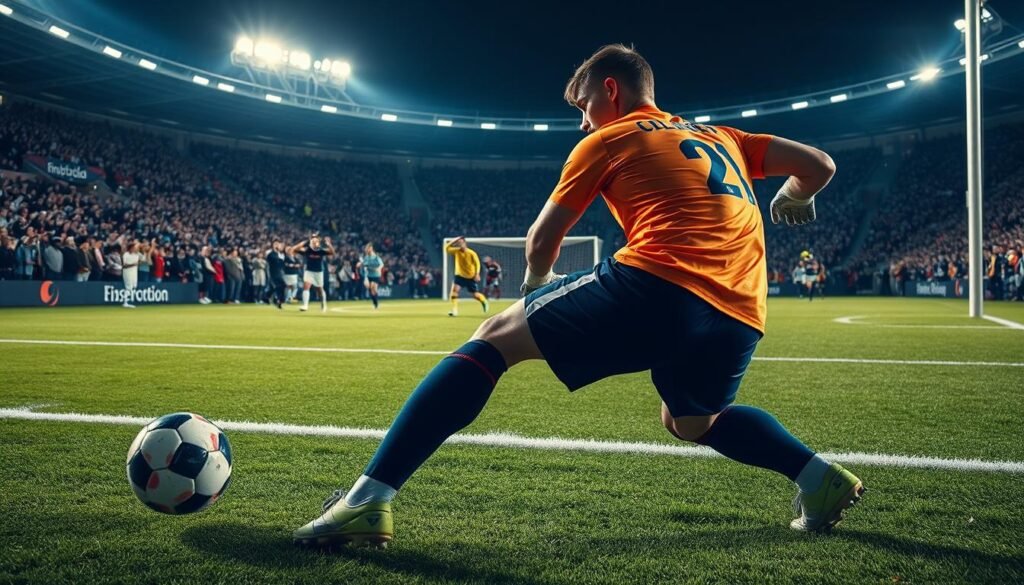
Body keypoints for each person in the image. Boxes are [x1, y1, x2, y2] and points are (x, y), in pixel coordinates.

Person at [294, 45, 862, 548]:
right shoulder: (724, 137)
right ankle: (817, 478)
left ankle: (368, 500)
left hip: (660, 281)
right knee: (691, 421)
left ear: (611, 90)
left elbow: (542, 238)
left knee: (494, 336)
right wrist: (795, 195)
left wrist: (534, 291)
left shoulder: (608, 138)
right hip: (741, 312)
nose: (583, 121)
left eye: (584, 105)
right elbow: (819, 165)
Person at [288, 232, 335, 312]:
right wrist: (304, 242)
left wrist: (329, 244)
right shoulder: (307, 250)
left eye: (316, 241)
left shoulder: (321, 250)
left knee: (320, 290)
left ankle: (323, 304)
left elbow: (332, 252)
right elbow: (294, 249)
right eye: (313, 241)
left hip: (318, 272)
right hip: (309, 271)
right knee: (306, 286)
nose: (314, 242)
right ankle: (305, 305)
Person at [444, 236, 489, 317]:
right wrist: (454, 240)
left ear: (465, 243)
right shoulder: (456, 251)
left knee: (475, 295)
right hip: (459, 275)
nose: (459, 244)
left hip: (470, 277)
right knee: (454, 292)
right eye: (458, 243)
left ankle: (484, 301)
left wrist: (477, 273)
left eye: (461, 242)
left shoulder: (471, 253)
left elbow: (477, 264)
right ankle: (454, 311)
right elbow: (446, 248)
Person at [360, 243, 384, 310]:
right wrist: (361, 264)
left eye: (368, 248)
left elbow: (381, 264)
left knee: (373, 287)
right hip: (368, 275)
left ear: (371, 248)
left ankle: (376, 303)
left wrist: (379, 268)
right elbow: (364, 266)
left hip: (376, 275)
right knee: (371, 289)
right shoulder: (366, 257)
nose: (367, 250)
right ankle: (375, 303)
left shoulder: (376, 257)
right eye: (366, 249)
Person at [265, 240, 287, 309]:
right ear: (273, 245)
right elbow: (270, 261)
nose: (277, 245)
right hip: (273, 273)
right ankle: (279, 300)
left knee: (279, 286)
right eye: (275, 244)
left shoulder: (280, 254)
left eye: (278, 244)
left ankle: (267, 297)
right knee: (278, 286)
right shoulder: (270, 254)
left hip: (279, 273)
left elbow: (282, 264)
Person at [120, 238, 140, 309]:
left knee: (134, 286)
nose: (135, 249)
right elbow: (124, 265)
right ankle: (125, 303)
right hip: (127, 273)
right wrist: (133, 264)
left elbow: (141, 261)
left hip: (134, 273)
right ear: (130, 248)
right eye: (134, 247)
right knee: (128, 287)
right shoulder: (126, 254)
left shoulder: (136, 255)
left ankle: (129, 301)